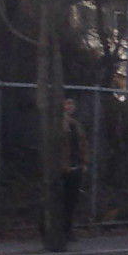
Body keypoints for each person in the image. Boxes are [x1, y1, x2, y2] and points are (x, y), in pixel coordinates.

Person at [59, 96, 88, 242]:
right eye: (67, 103)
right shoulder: (59, 124)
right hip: (63, 168)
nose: (70, 106)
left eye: (72, 103)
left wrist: (84, 163)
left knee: (72, 200)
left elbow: (82, 145)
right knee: (60, 199)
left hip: (76, 166)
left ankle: (68, 229)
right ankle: (58, 229)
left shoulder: (76, 125)